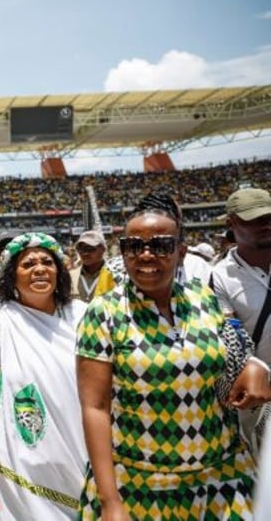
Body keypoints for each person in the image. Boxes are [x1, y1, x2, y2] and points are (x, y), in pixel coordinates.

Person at [76, 192, 271, 520]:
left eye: (162, 245)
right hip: (140, 486)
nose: (146, 255)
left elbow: (236, 348)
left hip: (222, 478)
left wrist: (255, 366)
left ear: (181, 252)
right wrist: (110, 501)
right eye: (133, 246)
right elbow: (94, 408)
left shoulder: (204, 300)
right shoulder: (104, 313)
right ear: (122, 252)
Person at [0, 232, 88, 520]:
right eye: (28, 264)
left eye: (47, 262)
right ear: (11, 276)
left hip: (79, 457)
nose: (40, 268)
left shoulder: (83, 316)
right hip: (14, 467)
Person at [211, 187, 271, 450]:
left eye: (269, 217)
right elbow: (233, 342)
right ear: (231, 224)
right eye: (255, 219)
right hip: (260, 397)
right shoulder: (220, 278)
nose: (266, 225)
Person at [70, 230, 115, 303]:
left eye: (89, 249)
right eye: (81, 249)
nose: (85, 253)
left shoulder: (114, 275)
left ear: (103, 249)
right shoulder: (70, 276)